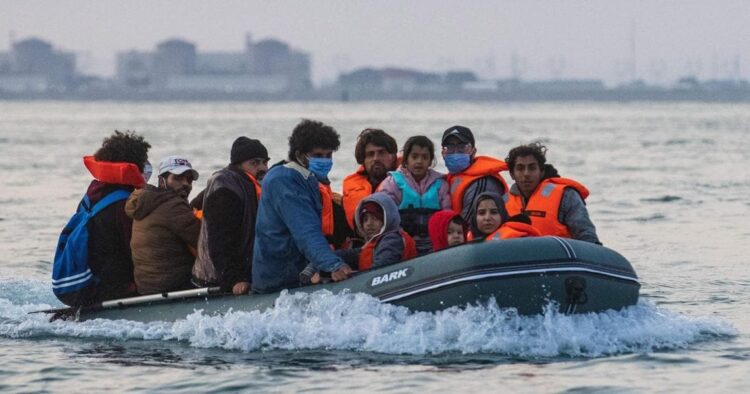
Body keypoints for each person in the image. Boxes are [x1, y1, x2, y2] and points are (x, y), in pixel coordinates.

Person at [252, 119, 353, 293]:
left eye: (329, 155)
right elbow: (305, 230)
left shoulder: (305, 179)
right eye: (318, 155)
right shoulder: (284, 181)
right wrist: (333, 265)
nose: (325, 161)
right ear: (300, 155)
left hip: (295, 269)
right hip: (279, 278)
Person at [55, 130, 151, 306]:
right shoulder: (123, 203)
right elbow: (136, 250)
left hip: (87, 280)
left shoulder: (92, 194)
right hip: (109, 288)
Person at [192, 137, 269, 294]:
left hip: (246, 272)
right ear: (238, 164)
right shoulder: (225, 188)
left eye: (264, 162)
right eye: (254, 163)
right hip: (215, 279)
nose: (262, 168)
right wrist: (234, 279)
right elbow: (220, 239)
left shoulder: (255, 184)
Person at [300, 193, 417, 284]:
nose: (369, 224)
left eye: (375, 218)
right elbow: (346, 255)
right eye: (365, 219)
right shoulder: (373, 244)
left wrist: (337, 276)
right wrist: (327, 265)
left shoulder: (392, 240)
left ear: (387, 218)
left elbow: (379, 272)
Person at [125, 155, 201, 295]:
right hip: (173, 287)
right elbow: (204, 242)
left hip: (147, 287)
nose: (185, 183)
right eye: (177, 178)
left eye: (189, 179)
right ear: (162, 181)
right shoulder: (173, 206)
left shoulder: (148, 201)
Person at [504, 142, 600, 244]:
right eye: (520, 168)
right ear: (512, 174)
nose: (526, 174)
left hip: (558, 257)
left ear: (541, 172)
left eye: (532, 168)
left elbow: (587, 236)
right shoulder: (502, 203)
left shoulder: (566, 196)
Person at [377, 135, 450, 255]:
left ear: (431, 161)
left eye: (425, 157)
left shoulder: (441, 184)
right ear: (406, 159)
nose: (419, 161)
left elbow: (447, 215)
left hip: (433, 243)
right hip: (403, 242)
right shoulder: (392, 183)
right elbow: (387, 218)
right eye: (414, 157)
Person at [441, 125, 509, 223]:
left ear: (473, 151)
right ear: (443, 152)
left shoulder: (481, 182)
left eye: (462, 147)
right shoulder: (452, 178)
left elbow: (468, 225)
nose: (455, 152)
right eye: (450, 147)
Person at [342, 128, 398, 231]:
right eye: (370, 154)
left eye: (381, 153)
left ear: (393, 156)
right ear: (363, 160)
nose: (376, 158)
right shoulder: (350, 186)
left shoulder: (406, 181)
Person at [469, 192, 541, 240]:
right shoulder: (464, 239)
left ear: (502, 214)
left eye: (494, 212)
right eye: (481, 213)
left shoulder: (519, 239)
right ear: (475, 217)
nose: (487, 218)